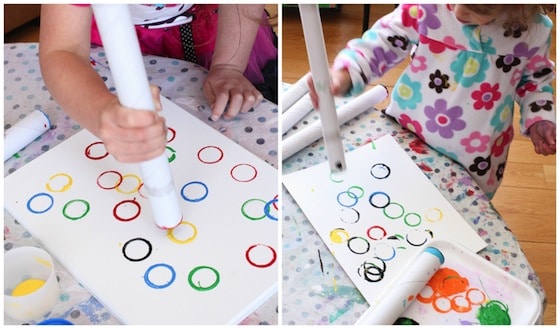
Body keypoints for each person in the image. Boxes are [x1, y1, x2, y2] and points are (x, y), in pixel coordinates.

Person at [308, 4, 556, 199]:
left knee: (459, 218)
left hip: (476, 156)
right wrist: (344, 74)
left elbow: (535, 81)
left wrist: (540, 117)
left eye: (479, 9)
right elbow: (384, 40)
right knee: (393, 196)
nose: (458, 11)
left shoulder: (534, 30)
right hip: (410, 131)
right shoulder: (428, 7)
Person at [39, 4, 277, 163]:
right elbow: (63, 49)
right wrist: (101, 110)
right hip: (118, 37)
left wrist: (229, 66)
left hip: (222, 29)